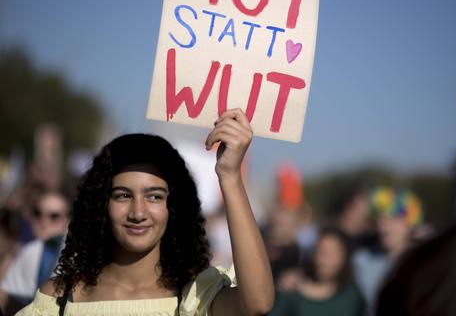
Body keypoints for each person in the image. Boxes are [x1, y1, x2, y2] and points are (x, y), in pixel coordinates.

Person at [16, 109, 274, 316]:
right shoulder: (58, 299)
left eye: (154, 196)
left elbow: (258, 304)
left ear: (173, 208)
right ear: (100, 206)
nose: (138, 212)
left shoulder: (194, 295)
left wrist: (229, 176)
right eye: (123, 195)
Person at [351, 186, 422, 315]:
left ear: (409, 224)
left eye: (393, 218)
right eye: (380, 218)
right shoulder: (361, 261)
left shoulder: (423, 264)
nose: (384, 225)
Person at [1, 189, 70, 312]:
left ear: (68, 220)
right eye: (38, 213)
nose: (44, 221)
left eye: (54, 216)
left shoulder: (76, 255)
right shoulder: (28, 250)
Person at [271, 227, 365, 316]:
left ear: (344, 257)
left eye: (330, 253)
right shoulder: (291, 291)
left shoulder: (352, 297)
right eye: (319, 251)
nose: (322, 260)